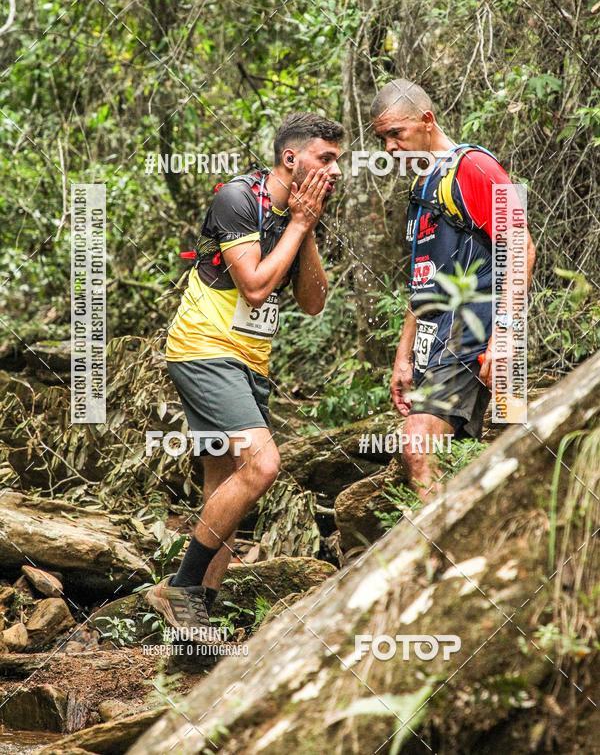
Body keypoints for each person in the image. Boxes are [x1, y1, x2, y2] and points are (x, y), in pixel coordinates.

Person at [145, 112, 343, 643]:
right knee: (262, 465)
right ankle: (179, 588)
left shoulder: (300, 214)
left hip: (251, 362)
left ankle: (196, 621)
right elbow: (254, 287)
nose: (335, 171)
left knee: (227, 484)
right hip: (204, 350)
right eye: (326, 159)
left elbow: (313, 303)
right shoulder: (238, 198)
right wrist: (297, 225)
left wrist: (306, 227)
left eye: (338, 161)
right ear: (290, 158)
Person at [371, 79, 536, 501]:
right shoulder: (421, 186)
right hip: (438, 335)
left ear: (427, 120)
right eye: (382, 139)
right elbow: (423, 278)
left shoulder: (474, 167)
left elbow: (521, 247)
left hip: (475, 327)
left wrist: (505, 336)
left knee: (418, 444)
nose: (389, 148)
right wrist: (404, 355)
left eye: (396, 133)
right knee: (470, 459)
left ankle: (440, 544)